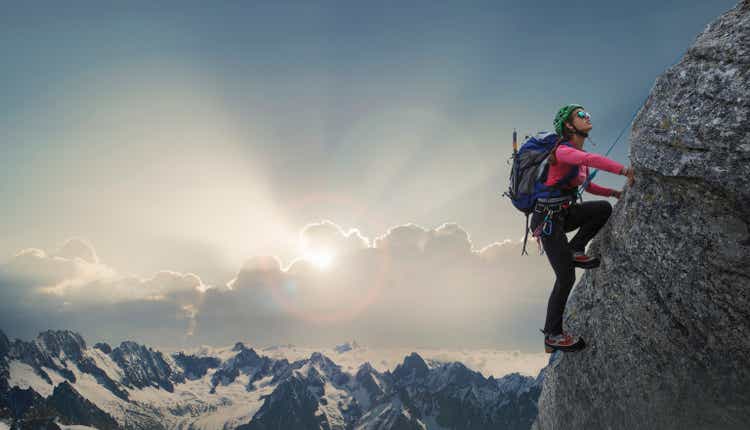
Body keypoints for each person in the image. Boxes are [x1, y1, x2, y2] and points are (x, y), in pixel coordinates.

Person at [530, 104, 635, 353]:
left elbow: (586, 187)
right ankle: (552, 335)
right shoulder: (563, 151)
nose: (588, 117)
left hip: (562, 214)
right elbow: (590, 159)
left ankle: (576, 248)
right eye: (581, 115)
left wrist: (613, 193)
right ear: (568, 125)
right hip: (547, 222)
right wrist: (624, 171)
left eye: (588, 113)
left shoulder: (576, 155)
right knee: (565, 276)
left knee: (602, 209)